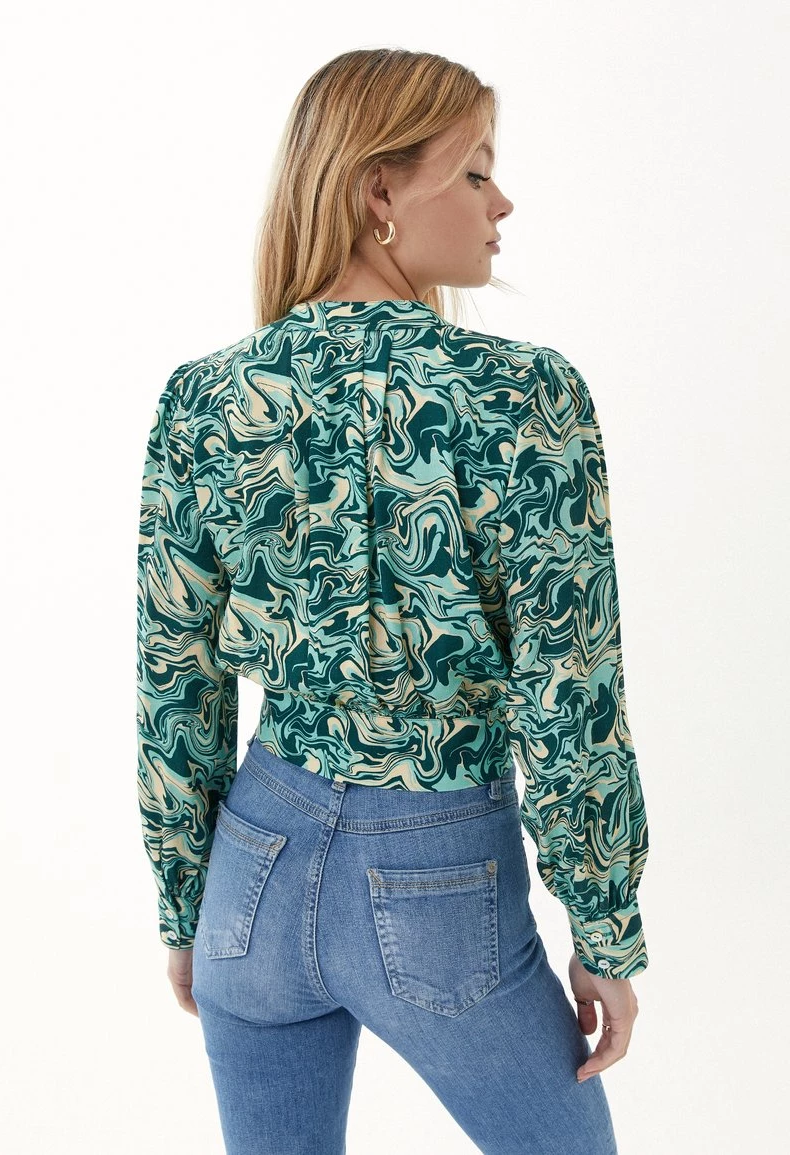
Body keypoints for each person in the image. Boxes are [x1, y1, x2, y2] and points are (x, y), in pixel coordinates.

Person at [136, 47, 648, 1155]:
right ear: (379, 191)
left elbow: (177, 678)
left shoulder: (206, 397)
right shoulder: (522, 395)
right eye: (475, 171)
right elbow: (569, 688)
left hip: (252, 871)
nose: (501, 202)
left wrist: (186, 904)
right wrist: (605, 929)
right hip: (439, 881)